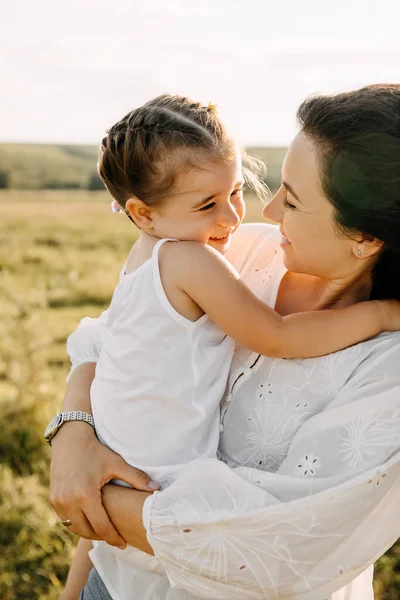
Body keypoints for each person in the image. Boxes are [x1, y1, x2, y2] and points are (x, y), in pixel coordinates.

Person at [50, 84, 400, 600]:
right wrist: (73, 434)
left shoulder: (386, 369)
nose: (268, 211)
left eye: (295, 200)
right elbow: (112, 346)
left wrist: (89, 495)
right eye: (276, 185)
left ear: (366, 237)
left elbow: (274, 548)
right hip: (117, 579)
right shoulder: (231, 251)